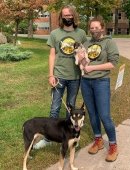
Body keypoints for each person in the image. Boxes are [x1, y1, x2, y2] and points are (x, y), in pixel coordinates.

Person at [33, 5, 87, 149]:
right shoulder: (55, 33)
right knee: (55, 107)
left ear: (74, 16)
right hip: (59, 76)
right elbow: (52, 55)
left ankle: (70, 135)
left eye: (69, 15)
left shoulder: (81, 33)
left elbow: (83, 54)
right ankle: (48, 138)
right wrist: (51, 75)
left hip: (75, 77)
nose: (67, 18)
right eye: (64, 15)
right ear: (61, 17)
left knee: (71, 108)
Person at [80, 16, 119, 162]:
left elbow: (113, 63)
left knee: (104, 115)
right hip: (86, 82)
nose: (94, 30)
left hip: (101, 81)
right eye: (92, 28)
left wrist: (93, 68)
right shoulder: (86, 42)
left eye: (97, 27)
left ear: (102, 28)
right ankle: (98, 140)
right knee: (92, 114)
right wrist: (81, 58)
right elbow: (84, 63)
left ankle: (113, 145)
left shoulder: (109, 42)